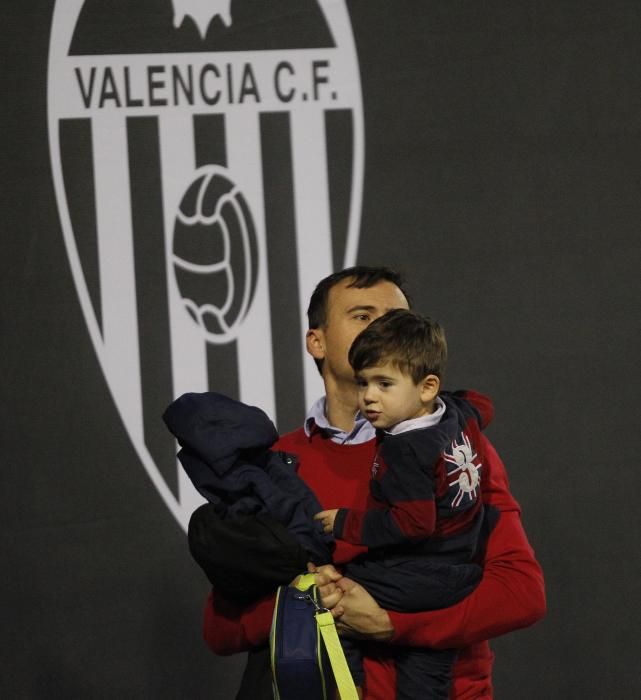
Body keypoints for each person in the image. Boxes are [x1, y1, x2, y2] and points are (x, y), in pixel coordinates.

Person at [202, 266, 546, 699]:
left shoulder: (456, 443)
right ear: (317, 341)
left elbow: (521, 592)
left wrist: (393, 624)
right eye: (363, 315)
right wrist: (308, 602)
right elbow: (220, 628)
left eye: (394, 316)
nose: (382, 325)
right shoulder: (274, 467)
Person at [314, 308, 494, 699]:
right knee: (425, 675)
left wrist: (347, 523)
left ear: (427, 387)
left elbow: (414, 524)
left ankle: (349, 683)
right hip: (460, 571)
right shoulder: (458, 413)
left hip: (421, 575)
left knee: (333, 593)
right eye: (363, 383)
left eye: (384, 384)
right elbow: (483, 405)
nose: (368, 397)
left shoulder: (404, 451)